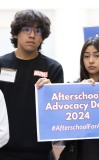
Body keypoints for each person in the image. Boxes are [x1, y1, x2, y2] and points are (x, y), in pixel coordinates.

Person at [0, 9, 64, 160]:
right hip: (4, 150)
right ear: (16, 33)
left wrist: (51, 92)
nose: (32, 35)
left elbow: (58, 114)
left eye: (38, 31)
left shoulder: (53, 68)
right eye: (26, 29)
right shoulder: (2, 64)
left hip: (40, 152)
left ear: (43, 36)